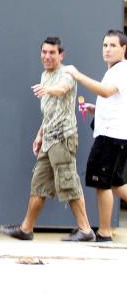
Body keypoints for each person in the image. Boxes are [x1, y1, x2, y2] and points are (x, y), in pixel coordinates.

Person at [1, 36, 95, 242]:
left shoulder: (68, 72)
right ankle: (26, 229)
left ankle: (85, 230)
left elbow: (62, 90)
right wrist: (39, 135)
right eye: (44, 52)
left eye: (52, 53)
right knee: (39, 184)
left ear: (61, 55)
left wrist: (47, 90)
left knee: (68, 182)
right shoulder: (45, 75)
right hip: (48, 139)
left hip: (63, 137)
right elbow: (50, 112)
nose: (47, 56)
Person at [63, 29, 127, 242]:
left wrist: (78, 75)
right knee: (117, 184)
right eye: (105, 45)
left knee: (102, 184)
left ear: (123, 49)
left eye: (113, 46)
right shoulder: (114, 71)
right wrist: (96, 109)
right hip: (114, 136)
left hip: (111, 137)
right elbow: (114, 99)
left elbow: (107, 91)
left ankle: (105, 232)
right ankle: (104, 231)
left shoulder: (121, 70)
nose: (107, 50)